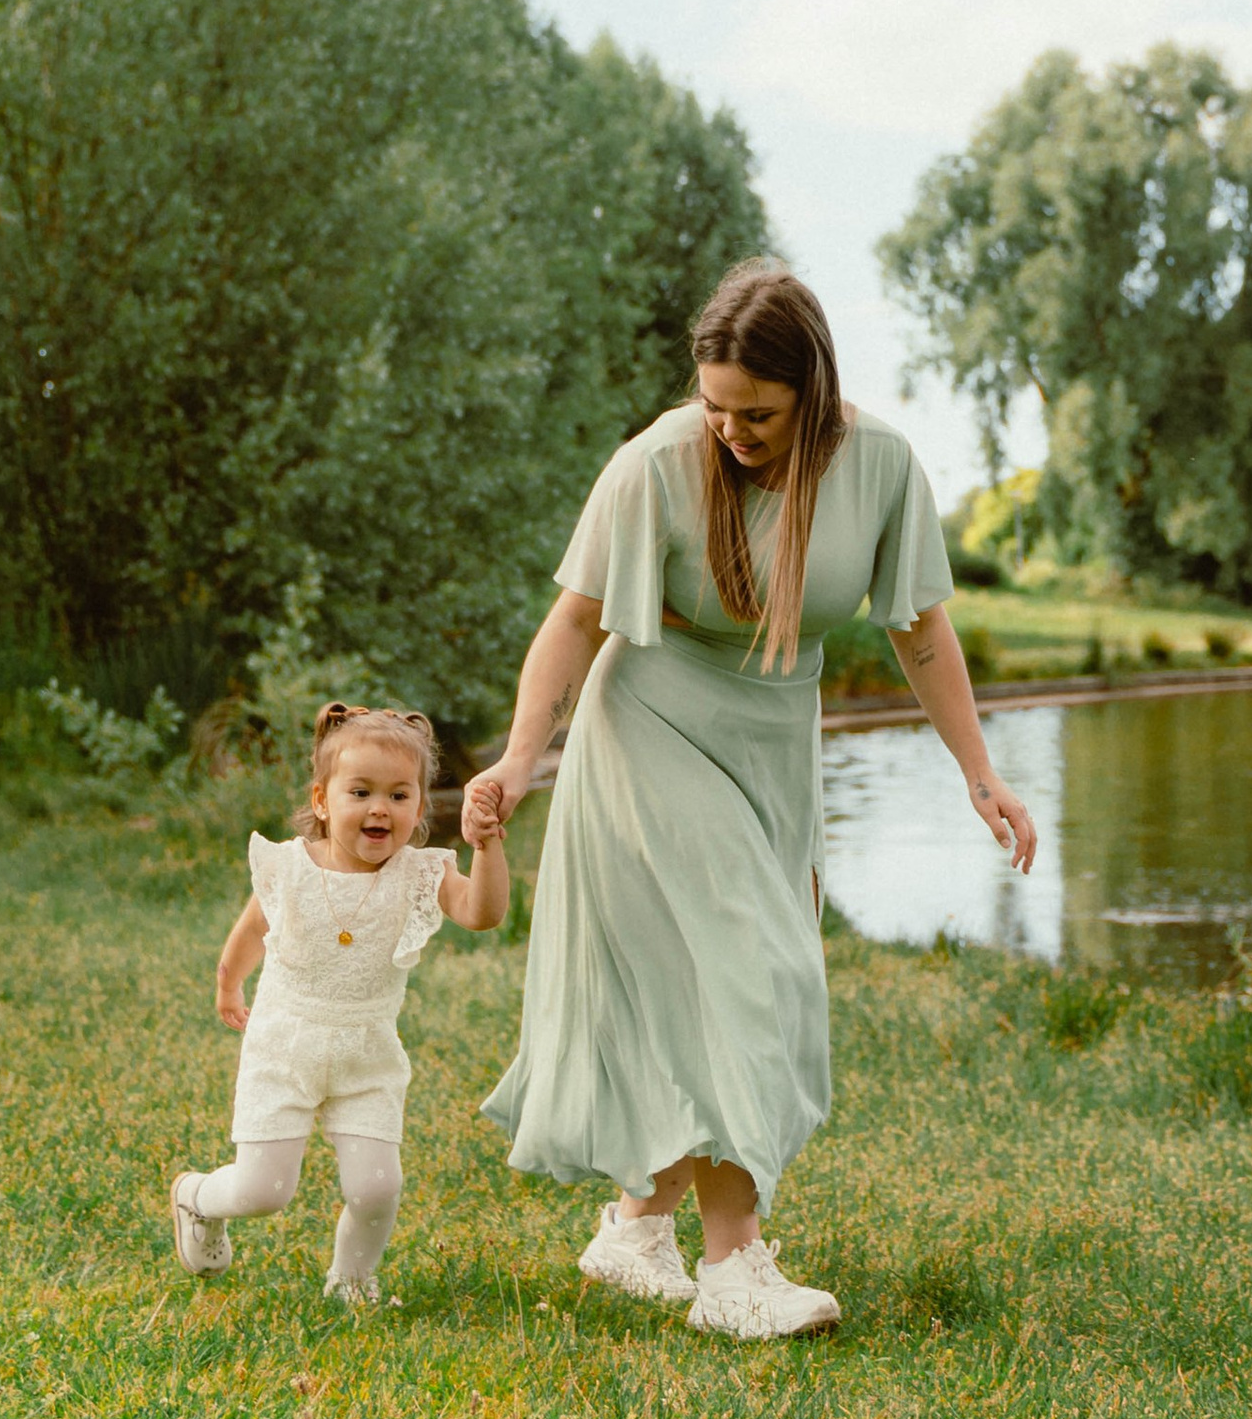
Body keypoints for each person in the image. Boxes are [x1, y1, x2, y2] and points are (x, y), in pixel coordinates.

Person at [467, 263, 1036, 1342]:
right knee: (752, 969)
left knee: (713, 981)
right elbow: (574, 622)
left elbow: (920, 629)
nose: (729, 430)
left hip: (774, 744)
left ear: (812, 391)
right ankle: (734, 1270)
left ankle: (634, 1233)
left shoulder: (880, 465)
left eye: (757, 413)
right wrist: (519, 759)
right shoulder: (656, 463)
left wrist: (980, 772)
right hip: (653, 727)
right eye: (715, 406)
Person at [171, 703, 509, 1304]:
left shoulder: (419, 875)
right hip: (284, 1048)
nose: (380, 808)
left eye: (399, 795)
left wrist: (486, 848)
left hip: (366, 1056)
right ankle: (196, 1197)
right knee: (263, 1191)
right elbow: (252, 932)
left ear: (419, 809)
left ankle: (351, 1280)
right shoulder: (290, 868)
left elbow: (482, 914)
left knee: (376, 1188)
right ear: (323, 801)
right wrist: (228, 983)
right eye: (361, 792)